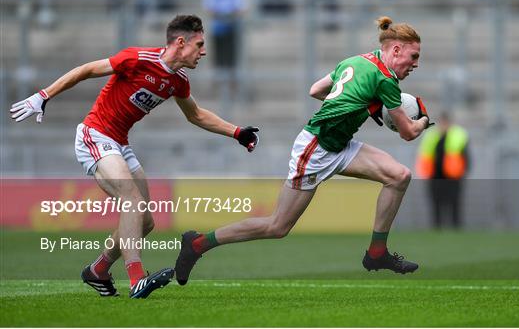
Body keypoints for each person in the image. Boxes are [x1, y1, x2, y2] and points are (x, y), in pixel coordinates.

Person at [10, 15, 259, 298]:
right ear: (181, 42)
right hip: (95, 135)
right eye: (199, 44)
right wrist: (44, 95)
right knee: (132, 200)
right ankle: (136, 278)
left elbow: (196, 115)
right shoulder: (138, 59)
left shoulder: (178, 80)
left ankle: (98, 270)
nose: (203, 51)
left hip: (119, 143)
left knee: (145, 222)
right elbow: (86, 69)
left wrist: (237, 132)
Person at [175, 16, 432, 285]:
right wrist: (423, 118)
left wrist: (359, 103)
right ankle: (198, 244)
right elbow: (408, 133)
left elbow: (316, 90)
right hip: (316, 148)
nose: (415, 64)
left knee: (399, 176)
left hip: (339, 144)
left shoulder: (357, 60)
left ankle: (377, 252)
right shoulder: (386, 80)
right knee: (277, 227)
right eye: (413, 56)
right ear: (396, 50)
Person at [416, 111, 470, 229]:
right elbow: (425, 155)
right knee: (436, 202)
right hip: (435, 176)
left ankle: (456, 228)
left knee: (454, 202)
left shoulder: (458, 134)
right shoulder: (431, 135)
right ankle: (437, 227)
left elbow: (465, 155)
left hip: (453, 176)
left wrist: (464, 171)